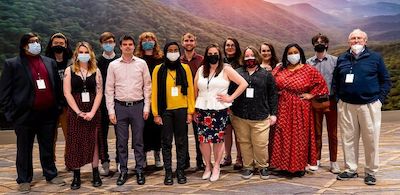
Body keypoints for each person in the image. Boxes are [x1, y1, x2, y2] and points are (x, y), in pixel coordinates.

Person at [0, 32, 65, 192]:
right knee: (24, 148)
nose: (36, 44)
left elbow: (57, 88)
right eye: (31, 41)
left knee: (47, 146)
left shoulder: (49, 62)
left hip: (48, 115)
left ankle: (50, 173)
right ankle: (24, 178)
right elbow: (4, 93)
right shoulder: (13, 64)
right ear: (24, 45)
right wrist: (12, 115)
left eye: (37, 41)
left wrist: (57, 108)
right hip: (24, 116)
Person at [333, 29, 392, 185]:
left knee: (371, 140)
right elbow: (335, 82)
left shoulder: (375, 58)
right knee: (348, 139)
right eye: (353, 38)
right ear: (349, 42)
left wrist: (379, 100)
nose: (356, 41)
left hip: (369, 105)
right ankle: (350, 169)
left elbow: (385, 81)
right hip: (346, 106)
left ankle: (371, 172)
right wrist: (338, 99)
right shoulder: (342, 58)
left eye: (359, 38)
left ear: (366, 41)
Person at [270, 43, 328, 176]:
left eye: (295, 52)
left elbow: (322, 84)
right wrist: (277, 92)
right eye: (289, 53)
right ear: (286, 55)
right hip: (283, 106)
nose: (292, 55)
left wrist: (311, 94)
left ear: (300, 53)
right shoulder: (280, 69)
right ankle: (283, 166)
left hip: (301, 107)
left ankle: (299, 166)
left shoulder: (308, 69)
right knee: (282, 135)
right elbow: (270, 83)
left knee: (299, 137)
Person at [194, 43, 248, 182]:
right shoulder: (201, 70)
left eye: (215, 54)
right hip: (202, 109)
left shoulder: (226, 69)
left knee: (218, 140)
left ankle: (217, 166)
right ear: (206, 56)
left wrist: (230, 97)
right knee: (203, 140)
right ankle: (208, 166)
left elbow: (243, 83)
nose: (213, 56)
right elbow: (195, 90)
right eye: (210, 54)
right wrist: (194, 109)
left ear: (220, 55)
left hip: (219, 109)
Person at [105, 35, 151, 186]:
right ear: (120, 46)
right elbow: (109, 89)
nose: (128, 47)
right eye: (125, 44)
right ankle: (123, 171)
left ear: (134, 46)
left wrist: (146, 107)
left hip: (138, 106)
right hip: (120, 107)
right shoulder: (113, 65)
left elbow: (147, 87)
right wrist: (111, 111)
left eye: (130, 44)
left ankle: (139, 170)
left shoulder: (142, 64)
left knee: (138, 141)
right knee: (121, 142)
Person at [230, 46, 278, 180]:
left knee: (261, 143)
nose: (249, 58)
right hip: (240, 115)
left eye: (252, 56)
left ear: (256, 57)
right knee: (244, 142)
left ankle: (262, 166)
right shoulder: (237, 72)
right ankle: (248, 166)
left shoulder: (266, 75)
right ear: (243, 58)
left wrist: (274, 113)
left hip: (261, 115)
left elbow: (273, 95)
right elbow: (230, 91)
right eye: (247, 56)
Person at [152, 41, 195, 185]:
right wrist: (156, 113)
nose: (173, 52)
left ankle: (181, 171)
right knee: (166, 142)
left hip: (182, 110)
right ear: (165, 52)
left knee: (181, 141)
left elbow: (189, 91)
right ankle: (168, 172)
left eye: (175, 50)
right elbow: (155, 93)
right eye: (170, 50)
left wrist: (190, 111)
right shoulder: (158, 69)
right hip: (165, 111)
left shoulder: (185, 68)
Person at [63, 41, 104, 190]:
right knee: (75, 143)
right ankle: (76, 175)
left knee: (94, 142)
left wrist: (92, 112)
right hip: (75, 111)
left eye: (86, 52)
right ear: (76, 54)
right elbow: (67, 93)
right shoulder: (69, 70)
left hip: (93, 110)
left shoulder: (96, 71)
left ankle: (95, 173)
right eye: (81, 52)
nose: (84, 55)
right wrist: (78, 112)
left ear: (91, 54)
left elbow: (99, 92)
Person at [306, 33, 340, 174]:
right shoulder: (309, 63)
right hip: (315, 101)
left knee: (332, 133)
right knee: (316, 132)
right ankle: (317, 159)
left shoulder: (335, 61)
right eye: (316, 42)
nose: (319, 44)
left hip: (330, 100)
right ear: (313, 45)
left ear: (326, 44)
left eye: (322, 42)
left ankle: (334, 162)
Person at [134, 32, 163, 168]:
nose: (148, 41)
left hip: (157, 98)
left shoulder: (161, 59)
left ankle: (158, 154)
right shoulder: (137, 60)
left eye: (151, 39)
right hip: (141, 97)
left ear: (155, 42)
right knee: (142, 128)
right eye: (145, 39)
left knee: (158, 128)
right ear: (140, 43)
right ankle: (143, 155)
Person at [44, 32, 73, 162]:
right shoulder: (45, 63)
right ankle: (51, 163)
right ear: (51, 45)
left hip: (68, 106)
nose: (59, 45)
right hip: (50, 106)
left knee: (70, 135)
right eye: (56, 43)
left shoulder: (72, 62)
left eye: (61, 43)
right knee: (50, 137)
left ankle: (70, 161)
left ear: (66, 45)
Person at [180, 32, 205, 171]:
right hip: (183, 101)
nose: (188, 42)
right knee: (182, 133)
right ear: (182, 43)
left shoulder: (202, 60)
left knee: (199, 133)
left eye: (191, 40)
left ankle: (200, 160)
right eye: (186, 40)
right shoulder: (178, 61)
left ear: (195, 42)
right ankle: (185, 160)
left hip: (199, 101)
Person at [96, 32, 120, 175]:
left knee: (120, 133)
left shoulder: (119, 60)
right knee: (101, 133)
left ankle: (119, 161)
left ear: (115, 43)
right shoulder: (97, 61)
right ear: (101, 44)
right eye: (105, 42)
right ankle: (104, 161)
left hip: (118, 101)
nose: (108, 44)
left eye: (111, 41)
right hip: (101, 102)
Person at [221, 37, 243, 170]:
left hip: (238, 101)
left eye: (232, 45)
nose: (229, 47)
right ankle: (227, 156)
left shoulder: (241, 63)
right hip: (224, 101)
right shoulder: (221, 62)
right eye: (227, 45)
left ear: (237, 47)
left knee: (239, 132)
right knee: (226, 132)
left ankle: (240, 158)